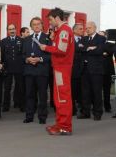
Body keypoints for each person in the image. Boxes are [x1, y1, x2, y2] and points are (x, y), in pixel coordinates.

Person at [39, 7, 74, 135]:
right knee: (59, 97)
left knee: (63, 98)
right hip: (60, 68)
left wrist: (46, 47)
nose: (50, 23)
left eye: (50, 20)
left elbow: (61, 50)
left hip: (62, 69)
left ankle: (65, 126)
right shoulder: (61, 30)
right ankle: (60, 124)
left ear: (57, 18)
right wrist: (53, 39)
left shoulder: (64, 30)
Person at [22, 17, 51, 124]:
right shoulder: (26, 39)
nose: (37, 26)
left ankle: (42, 117)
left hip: (42, 71)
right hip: (29, 71)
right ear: (31, 26)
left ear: (42, 25)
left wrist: (40, 59)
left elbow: (51, 55)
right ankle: (29, 116)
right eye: (34, 24)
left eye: (38, 24)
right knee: (29, 95)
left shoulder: (48, 38)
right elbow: (22, 55)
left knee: (42, 95)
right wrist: (27, 59)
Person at [77, 22, 106, 121]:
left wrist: (87, 49)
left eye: (89, 28)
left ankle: (97, 113)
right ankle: (86, 112)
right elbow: (79, 48)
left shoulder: (101, 38)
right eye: (86, 28)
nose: (87, 29)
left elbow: (99, 51)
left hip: (96, 70)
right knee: (85, 92)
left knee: (96, 92)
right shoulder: (83, 38)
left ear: (95, 28)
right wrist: (90, 48)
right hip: (84, 69)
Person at [1, 24, 25, 112]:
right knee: (7, 88)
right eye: (10, 29)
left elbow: (24, 53)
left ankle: (21, 105)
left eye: (13, 29)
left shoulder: (21, 40)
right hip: (8, 68)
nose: (12, 31)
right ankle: (5, 106)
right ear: (7, 31)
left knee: (20, 87)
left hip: (19, 67)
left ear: (16, 29)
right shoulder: (3, 41)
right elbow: (2, 55)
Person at [98, 31, 115, 113]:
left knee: (106, 90)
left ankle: (107, 106)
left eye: (101, 35)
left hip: (107, 71)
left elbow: (111, 51)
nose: (99, 37)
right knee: (97, 90)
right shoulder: (95, 43)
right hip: (97, 70)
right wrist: (102, 53)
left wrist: (101, 50)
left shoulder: (110, 44)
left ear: (105, 37)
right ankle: (97, 106)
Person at [71, 23, 84, 115]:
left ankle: (83, 108)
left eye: (82, 29)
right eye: (80, 29)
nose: (82, 30)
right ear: (74, 30)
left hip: (83, 69)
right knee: (73, 90)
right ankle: (73, 109)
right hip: (72, 70)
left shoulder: (85, 40)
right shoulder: (70, 40)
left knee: (82, 91)